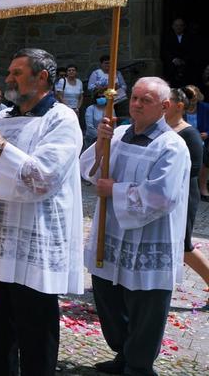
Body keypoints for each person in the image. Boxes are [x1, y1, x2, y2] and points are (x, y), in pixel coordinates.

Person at [0, 48, 84, 375]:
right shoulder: (1, 118)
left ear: (42, 76)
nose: (8, 78)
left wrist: (0, 145)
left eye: (17, 73)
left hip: (37, 241)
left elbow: (44, 177)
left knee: (35, 337)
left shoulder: (61, 119)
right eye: (9, 72)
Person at [80, 77, 190, 375]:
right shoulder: (117, 134)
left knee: (145, 306)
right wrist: (101, 143)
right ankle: (123, 353)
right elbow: (89, 169)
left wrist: (114, 190)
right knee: (108, 296)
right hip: (113, 232)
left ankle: (139, 366)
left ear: (165, 107)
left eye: (146, 100)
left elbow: (162, 196)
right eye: (135, 98)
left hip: (150, 235)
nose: (137, 104)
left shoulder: (172, 146)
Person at [166, 88, 209, 292]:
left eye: (167, 101)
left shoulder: (189, 133)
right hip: (167, 195)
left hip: (185, 196)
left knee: (184, 245)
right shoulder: (162, 129)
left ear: (179, 106)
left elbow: (194, 168)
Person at [160, 17, 192, 87]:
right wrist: (173, 59)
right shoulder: (167, 37)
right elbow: (164, 50)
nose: (179, 27)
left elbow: (192, 51)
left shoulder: (190, 37)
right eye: (176, 25)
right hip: (171, 68)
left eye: (181, 25)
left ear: (184, 27)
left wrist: (184, 60)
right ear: (173, 26)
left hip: (186, 68)